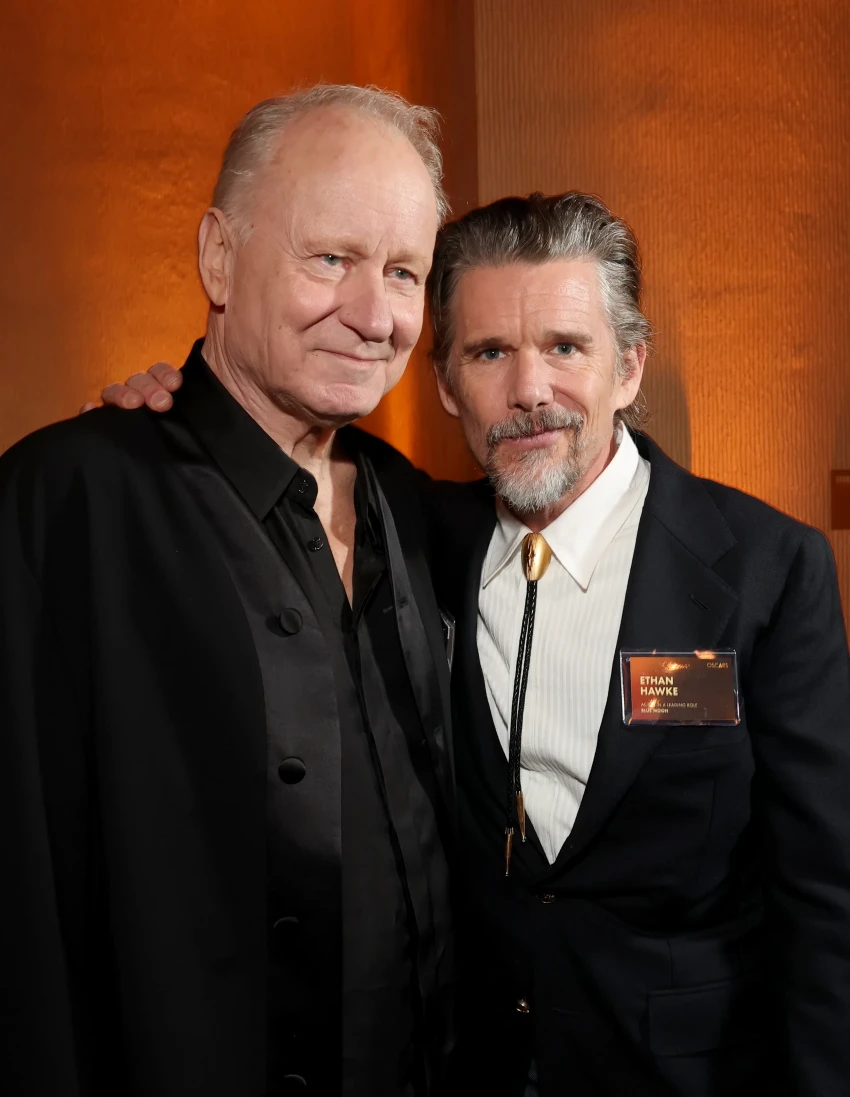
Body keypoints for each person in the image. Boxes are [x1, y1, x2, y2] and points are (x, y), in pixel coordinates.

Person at [107, 192, 850, 1097]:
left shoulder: (768, 569)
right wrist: (167, 421)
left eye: (566, 348)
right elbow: (271, 446)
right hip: (470, 1069)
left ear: (629, 367)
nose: (530, 390)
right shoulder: (416, 533)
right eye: (490, 352)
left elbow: (825, 895)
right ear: (447, 384)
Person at [0, 85, 456, 1097]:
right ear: (218, 257)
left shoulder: (418, 509)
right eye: (329, 258)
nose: (373, 315)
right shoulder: (69, 501)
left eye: (403, 272)